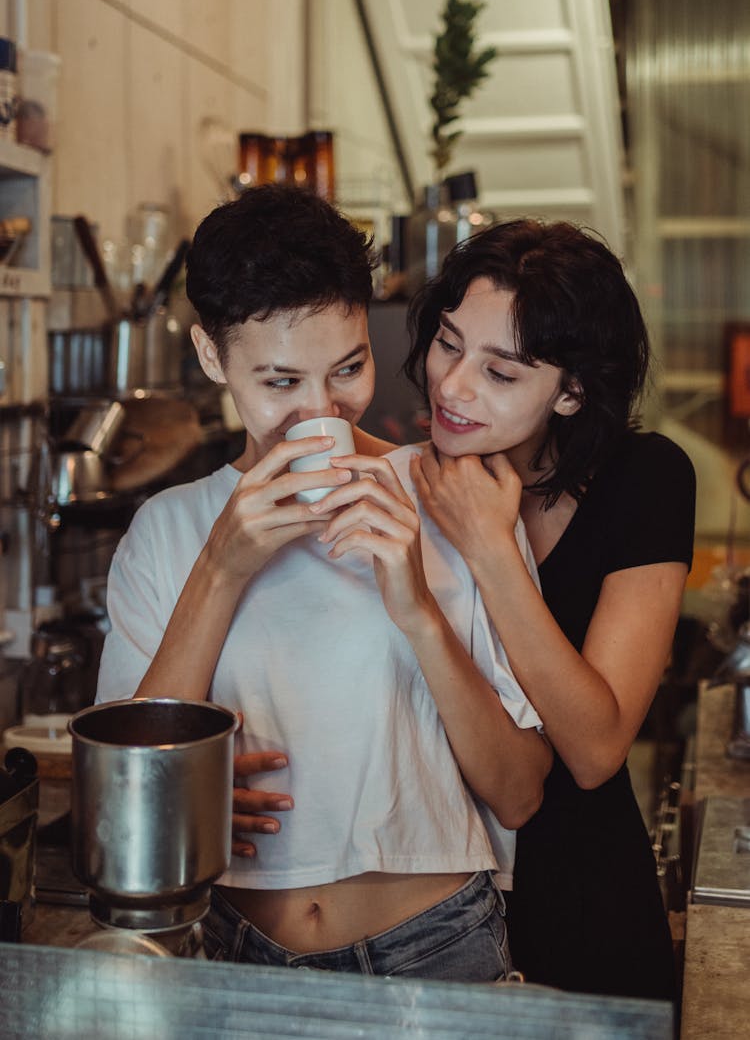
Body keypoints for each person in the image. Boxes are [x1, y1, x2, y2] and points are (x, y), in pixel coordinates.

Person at [95, 183, 551, 981]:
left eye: (348, 367)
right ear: (211, 356)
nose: (320, 412)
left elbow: (517, 794)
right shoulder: (167, 533)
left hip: (437, 947)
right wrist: (222, 567)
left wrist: (416, 608)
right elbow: (134, 818)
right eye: (279, 383)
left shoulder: (455, 498)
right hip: (242, 957)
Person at [402, 218, 696, 1001]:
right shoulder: (399, 475)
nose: (453, 385)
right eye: (449, 342)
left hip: (583, 903)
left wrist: (493, 550)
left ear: (571, 391)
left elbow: (596, 746)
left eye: (501, 373)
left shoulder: (645, 479)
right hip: (423, 915)